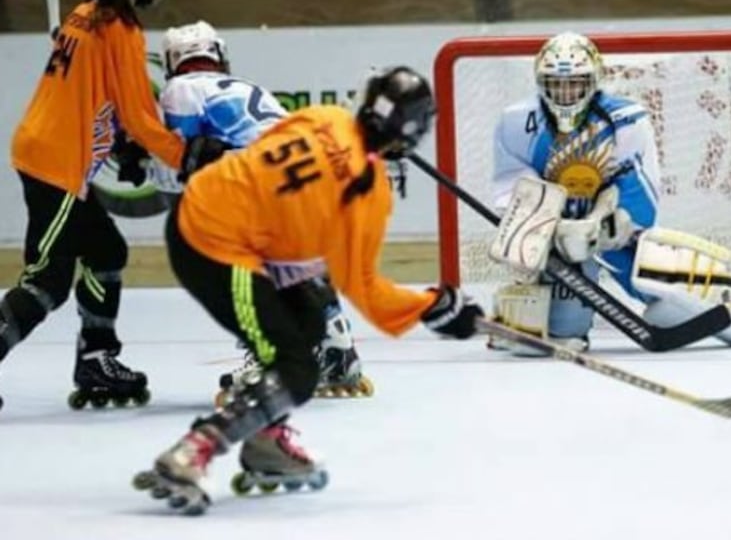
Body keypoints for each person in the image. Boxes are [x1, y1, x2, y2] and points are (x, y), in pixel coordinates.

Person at [133, 66, 483, 515]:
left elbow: (266, 166)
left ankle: (266, 441)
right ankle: (194, 450)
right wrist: (438, 306)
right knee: (295, 369)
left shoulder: (325, 117)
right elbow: (368, 292)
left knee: (311, 323)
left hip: (218, 219)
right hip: (212, 245)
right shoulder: (367, 192)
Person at [487, 31, 731, 355]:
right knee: (559, 333)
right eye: (556, 84)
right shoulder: (517, 122)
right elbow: (512, 187)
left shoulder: (624, 118)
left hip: (611, 235)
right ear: (540, 83)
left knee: (668, 290)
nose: (566, 93)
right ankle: (520, 317)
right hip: (556, 242)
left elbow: (639, 184)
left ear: (594, 81)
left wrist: (609, 222)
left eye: (575, 83)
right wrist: (550, 229)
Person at [0, 0, 194, 412]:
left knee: (106, 251)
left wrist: (122, 148)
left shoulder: (84, 16)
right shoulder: (119, 30)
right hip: (56, 165)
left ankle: (96, 358)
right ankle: (92, 356)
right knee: (46, 281)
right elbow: (140, 115)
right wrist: (187, 158)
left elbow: (95, 96)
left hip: (49, 154)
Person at [154, 20, 373, 400]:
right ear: (218, 55)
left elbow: (177, 171)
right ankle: (338, 349)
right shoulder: (250, 88)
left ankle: (269, 358)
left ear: (172, 61)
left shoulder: (180, 90)